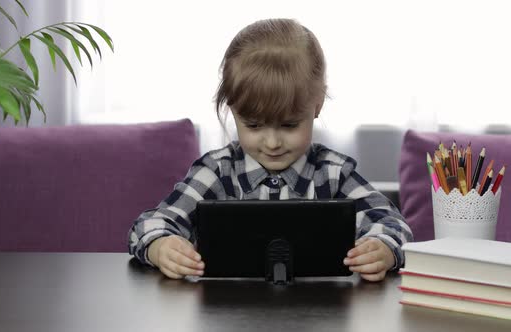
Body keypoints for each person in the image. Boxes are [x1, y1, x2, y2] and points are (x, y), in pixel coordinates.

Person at [128, 18, 413, 282]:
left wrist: (382, 249)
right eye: (253, 126)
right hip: (229, 315)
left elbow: (392, 224)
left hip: (320, 315)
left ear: (317, 105)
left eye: (289, 125)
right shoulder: (216, 171)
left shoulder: (333, 174)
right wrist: (161, 246)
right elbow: (151, 224)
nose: (273, 142)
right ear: (233, 110)